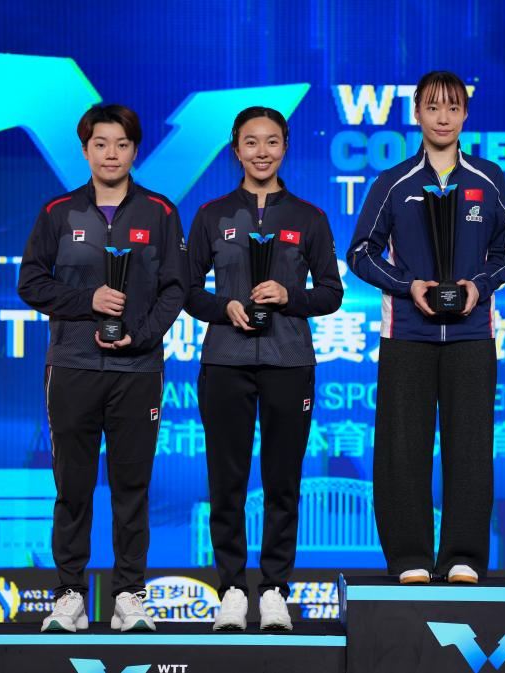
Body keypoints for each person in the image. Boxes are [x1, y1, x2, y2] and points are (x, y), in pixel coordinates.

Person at [18, 104, 188, 631]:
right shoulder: (58, 212)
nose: (111, 154)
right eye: (100, 144)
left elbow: (176, 288)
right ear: (85, 149)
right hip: (72, 366)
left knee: (132, 487)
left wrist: (143, 334)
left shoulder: (159, 212)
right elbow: (31, 283)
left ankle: (129, 596)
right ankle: (69, 594)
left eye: (121, 144)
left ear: (135, 150)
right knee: (72, 486)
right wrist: (86, 301)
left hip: (138, 371)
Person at [348, 71, 505, 585]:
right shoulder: (393, 182)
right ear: (416, 113)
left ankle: (464, 555)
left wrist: (478, 286)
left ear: (465, 115)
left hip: (471, 335)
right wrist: (408, 285)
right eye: (433, 107)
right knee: (402, 448)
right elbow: (360, 252)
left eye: (453, 108)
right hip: (407, 334)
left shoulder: (489, 179)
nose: (443, 118)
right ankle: (409, 557)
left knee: (471, 446)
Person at [185, 107, 342, 630]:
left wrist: (289, 295)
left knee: (283, 482)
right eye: (251, 142)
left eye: (271, 141)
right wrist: (223, 307)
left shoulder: (308, 217)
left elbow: (331, 293)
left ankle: (274, 588)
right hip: (225, 361)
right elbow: (186, 290)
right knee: (226, 481)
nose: (261, 152)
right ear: (236, 150)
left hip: (288, 362)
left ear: (285, 146)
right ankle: (231, 588)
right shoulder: (211, 215)